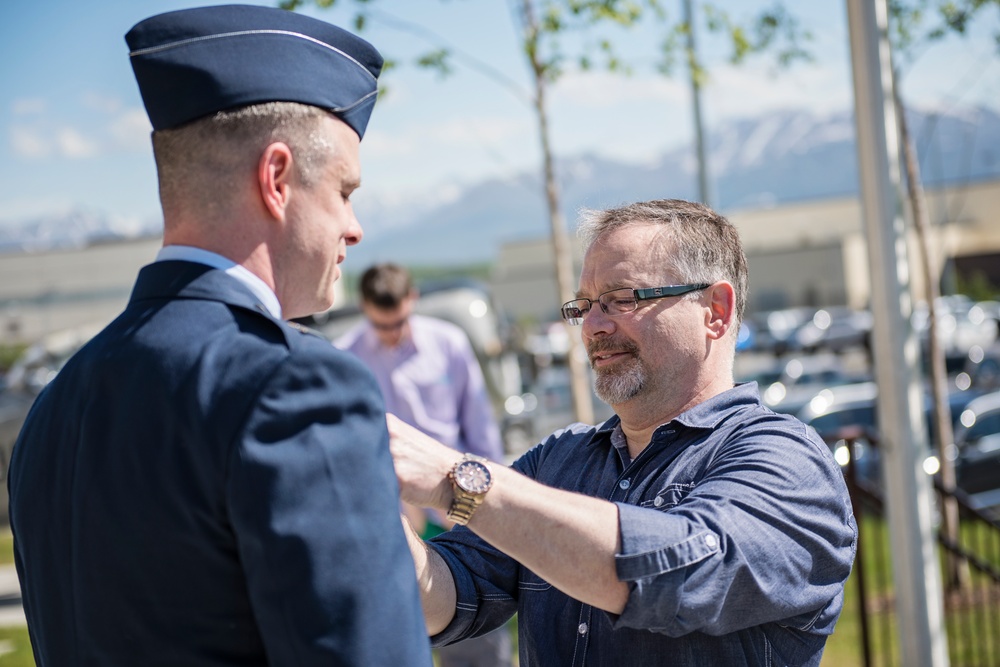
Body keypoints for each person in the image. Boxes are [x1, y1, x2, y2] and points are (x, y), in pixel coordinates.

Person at [7, 6, 432, 666]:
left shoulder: (54, 407)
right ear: (277, 177)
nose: (355, 227)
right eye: (345, 191)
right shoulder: (295, 386)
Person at [387, 199, 858, 666]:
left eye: (623, 299)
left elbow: (681, 573)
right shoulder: (558, 461)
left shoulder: (787, 462)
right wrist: (372, 491)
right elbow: (444, 595)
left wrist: (459, 481)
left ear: (715, 310)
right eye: (585, 305)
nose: (592, 326)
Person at [336, 263, 513, 667]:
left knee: (478, 638)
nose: (393, 333)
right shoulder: (345, 359)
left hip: (455, 510)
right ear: (364, 307)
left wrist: (482, 502)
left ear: (412, 299)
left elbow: (480, 428)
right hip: (393, 521)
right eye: (382, 326)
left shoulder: (448, 343)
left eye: (398, 321)